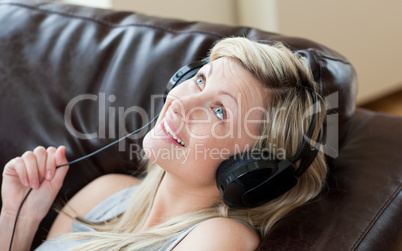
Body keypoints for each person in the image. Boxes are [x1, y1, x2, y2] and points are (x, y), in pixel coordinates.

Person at [0, 37, 327, 250]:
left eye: (218, 110)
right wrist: (20, 215)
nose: (180, 104)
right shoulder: (104, 193)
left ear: (251, 167)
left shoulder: (218, 240)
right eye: (199, 80)